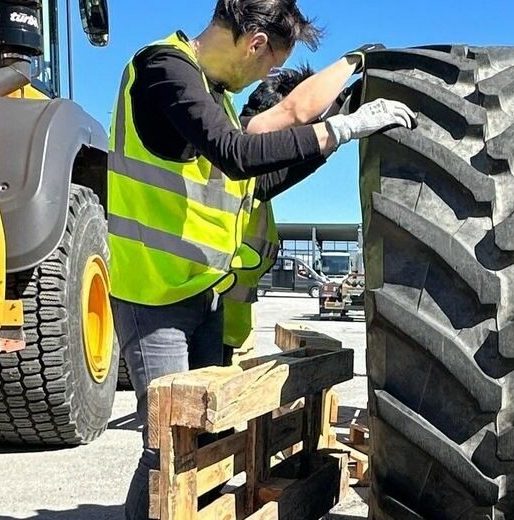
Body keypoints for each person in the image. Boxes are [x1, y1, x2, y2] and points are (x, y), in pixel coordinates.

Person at [105, 1, 413, 518]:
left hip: (201, 292)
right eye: (270, 67)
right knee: (167, 448)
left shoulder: (214, 98)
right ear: (256, 44)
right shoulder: (162, 69)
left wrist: (342, 100)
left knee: (201, 443)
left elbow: (265, 165)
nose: (263, 78)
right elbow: (238, 154)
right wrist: (342, 129)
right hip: (151, 294)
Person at [221, 66, 319, 358]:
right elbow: (277, 174)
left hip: (228, 333)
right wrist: (336, 130)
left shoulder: (246, 170)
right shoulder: (236, 164)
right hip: (203, 329)